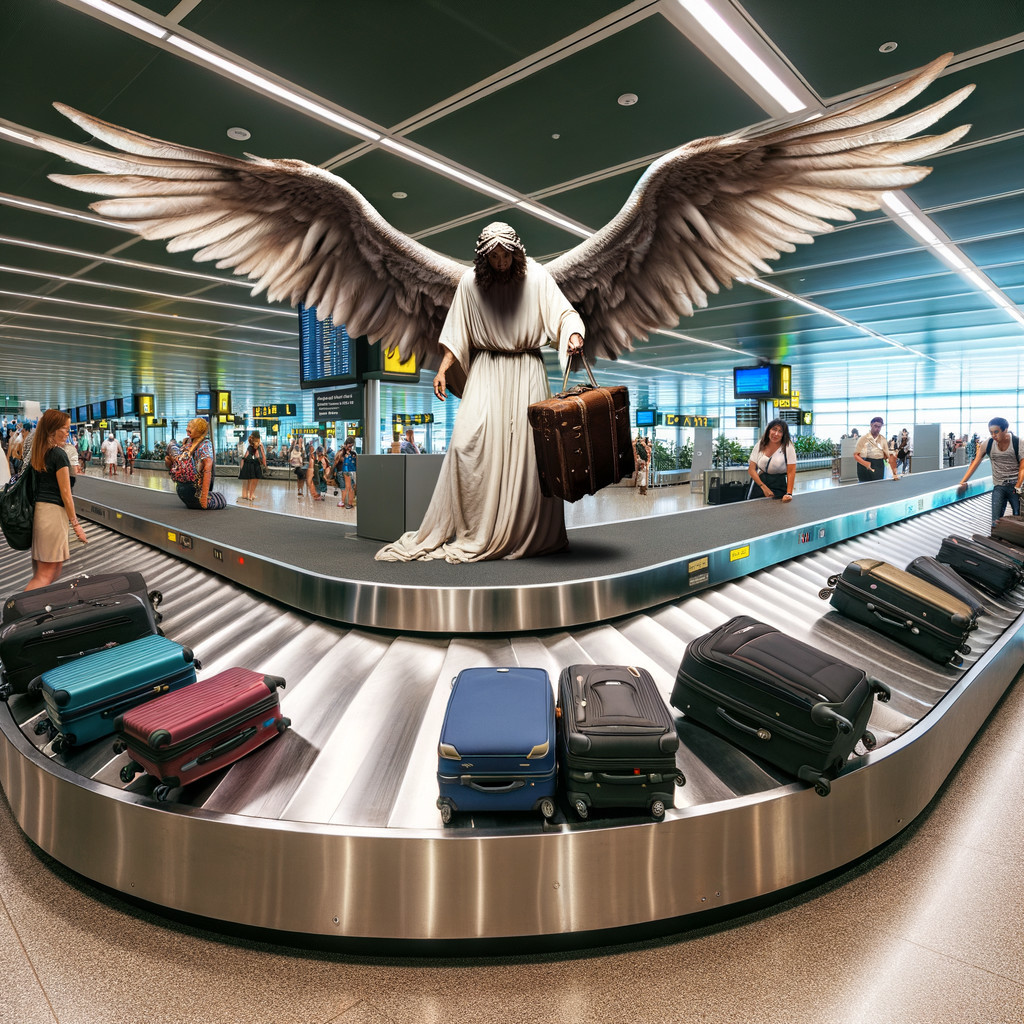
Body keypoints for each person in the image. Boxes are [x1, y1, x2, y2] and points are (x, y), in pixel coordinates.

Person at [376, 222, 584, 563]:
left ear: (516, 252)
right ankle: (476, 528)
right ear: (484, 257)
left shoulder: (537, 276)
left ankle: (524, 533)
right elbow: (457, 331)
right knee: (463, 446)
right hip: (486, 370)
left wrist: (573, 334)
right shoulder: (470, 284)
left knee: (530, 456)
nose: (501, 262)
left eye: (506, 255)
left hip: (527, 370)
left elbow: (563, 314)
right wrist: (444, 368)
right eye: (494, 256)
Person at [25, 409, 89, 590]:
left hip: (41, 512)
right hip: (52, 515)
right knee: (44, 576)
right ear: (52, 429)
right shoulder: (58, 455)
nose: (68, 433)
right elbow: (66, 494)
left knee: (53, 570)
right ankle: (19, 615)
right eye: (65, 429)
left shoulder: (39, 453)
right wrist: (76, 525)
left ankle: (34, 610)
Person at [957, 417, 1024, 522]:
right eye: (991, 432)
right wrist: (963, 481)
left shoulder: (1017, 443)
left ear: (1005, 429)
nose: (993, 435)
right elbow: (975, 462)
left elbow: (1022, 466)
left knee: (1018, 519)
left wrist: (1018, 486)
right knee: (996, 521)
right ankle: (996, 536)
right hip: (999, 486)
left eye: (996, 432)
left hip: (1015, 487)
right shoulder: (988, 444)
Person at [168, 417, 226, 510]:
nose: (187, 431)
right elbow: (207, 469)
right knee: (222, 500)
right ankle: (202, 500)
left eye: (190, 429)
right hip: (194, 491)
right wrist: (204, 499)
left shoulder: (189, 444)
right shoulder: (202, 444)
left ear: (198, 430)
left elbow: (169, 463)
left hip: (184, 491)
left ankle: (198, 500)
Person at [747, 418, 797, 501]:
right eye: (774, 429)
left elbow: (791, 471)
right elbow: (751, 469)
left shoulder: (788, 447)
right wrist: (763, 487)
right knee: (756, 511)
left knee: (777, 512)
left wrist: (789, 493)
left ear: (784, 434)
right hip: (760, 483)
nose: (776, 434)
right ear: (769, 430)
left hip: (779, 484)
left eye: (780, 431)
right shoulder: (760, 444)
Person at [854, 417, 900, 482]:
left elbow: (888, 456)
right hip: (864, 465)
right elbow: (856, 455)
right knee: (864, 488)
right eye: (875, 426)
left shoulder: (883, 440)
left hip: (878, 465)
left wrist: (894, 472)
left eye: (879, 427)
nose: (877, 429)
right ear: (871, 425)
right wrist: (865, 463)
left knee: (878, 487)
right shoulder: (863, 439)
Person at [237, 430, 267, 502]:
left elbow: (245, 456)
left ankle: (246, 494)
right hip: (255, 464)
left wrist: (242, 466)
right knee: (254, 480)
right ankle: (251, 494)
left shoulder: (250, 446)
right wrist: (265, 464)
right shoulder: (260, 446)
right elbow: (262, 456)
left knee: (249, 480)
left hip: (248, 463)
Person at [338, 438, 357, 509]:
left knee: (350, 488)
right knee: (348, 487)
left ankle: (349, 503)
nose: (350, 447)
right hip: (346, 471)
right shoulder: (342, 453)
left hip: (351, 471)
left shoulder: (353, 453)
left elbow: (355, 463)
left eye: (351, 446)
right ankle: (348, 503)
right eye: (349, 446)